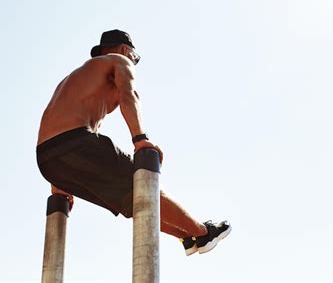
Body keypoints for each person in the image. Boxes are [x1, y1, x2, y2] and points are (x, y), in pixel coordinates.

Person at [36, 29, 231, 255]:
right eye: (135, 58)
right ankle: (203, 232)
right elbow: (129, 95)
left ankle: (186, 236)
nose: (133, 62)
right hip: (76, 143)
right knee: (144, 187)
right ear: (125, 50)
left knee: (132, 203)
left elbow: (56, 123)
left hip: (47, 158)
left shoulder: (74, 81)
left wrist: (60, 181)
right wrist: (140, 139)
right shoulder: (119, 60)